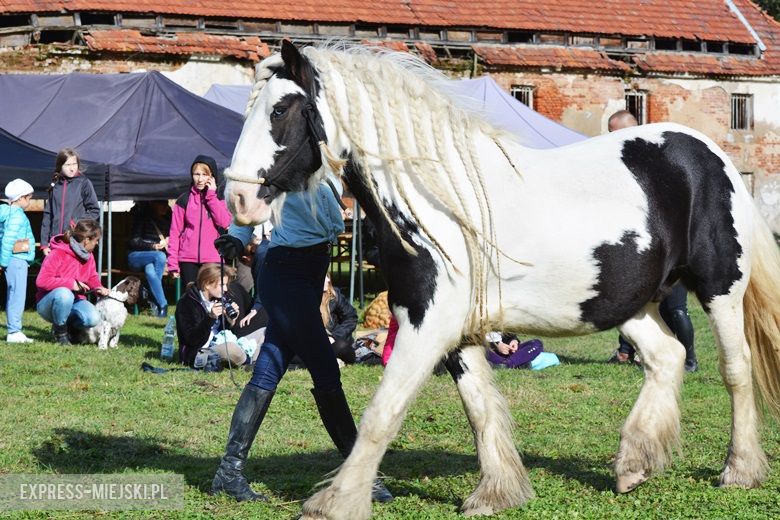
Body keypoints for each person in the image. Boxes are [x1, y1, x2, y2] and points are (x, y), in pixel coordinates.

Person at [211, 177, 393, 503]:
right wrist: (236, 238)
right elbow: (251, 199)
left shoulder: (321, 168)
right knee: (326, 372)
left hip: (309, 274)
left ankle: (229, 472)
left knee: (267, 370)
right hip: (287, 273)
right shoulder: (283, 166)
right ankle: (361, 476)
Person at [606, 110, 698, 372]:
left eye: (613, 133)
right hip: (644, 249)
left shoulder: (659, 160)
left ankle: (690, 361)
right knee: (633, 304)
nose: (609, 139)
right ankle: (627, 352)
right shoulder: (627, 162)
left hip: (671, 248)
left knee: (675, 309)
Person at [175, 264, 265, 369]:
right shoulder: (186, 303)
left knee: (264, 332)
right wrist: (210, 317)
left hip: (223, 342)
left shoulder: (219, 299)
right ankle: (249, 360)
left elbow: (226, 332)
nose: (225, 289)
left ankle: (254, 361)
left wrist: (230, 319)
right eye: (222, 285)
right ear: (207, 284)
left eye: (226, 284)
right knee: (231, 348)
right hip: (201, 352)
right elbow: (192, 340)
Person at [35, 219, 108, 345]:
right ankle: (60, 333)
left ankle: (69, 329)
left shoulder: (89, 256)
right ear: (86, 240)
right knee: (65, 294)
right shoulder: (57, 253)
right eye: (96, 240)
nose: (97, 244)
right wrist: (71, 284)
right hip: (48, 302)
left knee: (93, 319)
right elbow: (41, 281)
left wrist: (99, 287)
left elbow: (92, 277)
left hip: (75, 300)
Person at [167, 155, 232, 288]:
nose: (200, 179)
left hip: (213, 259)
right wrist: (173, 263)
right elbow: (175, 233)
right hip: (187, 260)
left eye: (204, 174)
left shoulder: (220, 199)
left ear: (212, 176)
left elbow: (225, 223)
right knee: (192, 297)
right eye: (196, 174)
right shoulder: (184, 200)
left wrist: (211, 197)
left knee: (213, 297)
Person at [40, 148, 100, 256]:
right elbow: (48, 214)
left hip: (76, 241)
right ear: (60, 166)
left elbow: (94, 210)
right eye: (68, 165)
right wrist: (44, 243)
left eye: (74, 164)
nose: (72, 168)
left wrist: (76, 222)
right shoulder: (55, 184)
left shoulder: (84, 183)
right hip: (55, 242)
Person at [0, 179, 36, 343]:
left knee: (14, 294)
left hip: (15, 259)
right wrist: (3, 262)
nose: (29, 202)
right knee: (17, 295)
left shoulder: (8, 213)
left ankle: (14, 330)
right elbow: (8, 240)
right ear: (20, 198)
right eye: (29, 198)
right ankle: (14, 331)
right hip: (17, 259)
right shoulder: (17, 216)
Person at [127, 200, 172, 318]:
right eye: (162, 204)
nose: (165, 207)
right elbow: (134, 242)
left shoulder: (168, 218)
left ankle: (158, 304)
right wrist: (152, 246)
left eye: (166, 204)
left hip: (153, 260)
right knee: (160, 256)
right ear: (153, 204)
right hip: (136, 256)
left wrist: (169, 239)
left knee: (150, 271)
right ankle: (163, 303)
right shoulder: (142, 217)